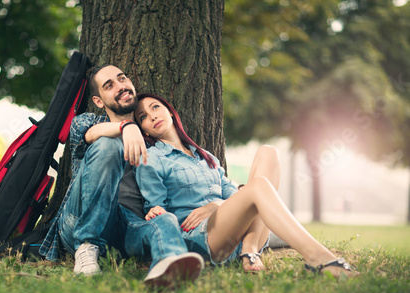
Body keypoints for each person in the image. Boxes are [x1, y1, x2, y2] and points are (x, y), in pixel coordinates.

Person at [134, 93, 357, 278]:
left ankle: (250, 250)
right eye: (143, 116)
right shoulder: (151, 159)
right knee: (258, 185)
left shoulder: (205, 156)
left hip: (240, 234)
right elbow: (160, 215)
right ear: (143, 130)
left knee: (268, 153)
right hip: (204, 239)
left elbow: (232, 193)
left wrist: (217, 205)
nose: (152, 116)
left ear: (170, 111)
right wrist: (157, 212)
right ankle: (318, 258)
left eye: (155, 107)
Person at [39, 65, 204, 288]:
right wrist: (126, 126)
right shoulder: (87, 122)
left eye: (122, 78)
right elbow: (91, 135)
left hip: (126, 229)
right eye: (109, 85)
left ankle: (167, 264)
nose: (121, 86)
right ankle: (86, 246)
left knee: (165, 219)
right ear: (98, 101)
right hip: (79, 221)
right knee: (107, 145)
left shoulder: (153, 136)